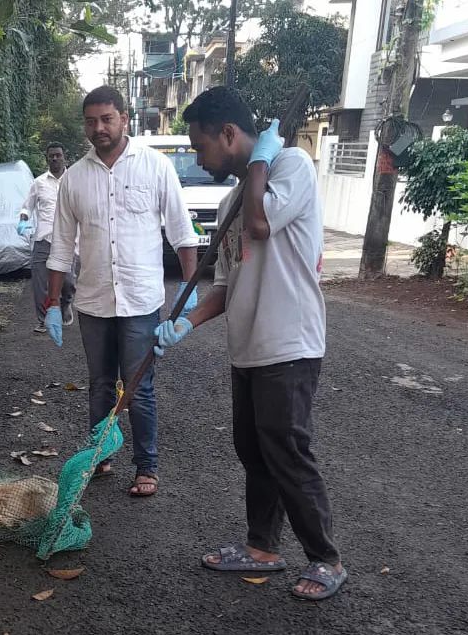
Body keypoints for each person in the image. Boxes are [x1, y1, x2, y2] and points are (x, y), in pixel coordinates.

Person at [155, 86, 347, 600]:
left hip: (290, 341)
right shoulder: (229, 199)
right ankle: (262, 546)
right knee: (253, 449)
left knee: (286, 450)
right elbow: (225, 283)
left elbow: (260, 226)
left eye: (201, 147)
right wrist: (183, 325)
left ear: (230, 134)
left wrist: (261, 161)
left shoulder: (290, 168)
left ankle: (325, 558)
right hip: (249, 345)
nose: (199, 158)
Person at [44, 85, 200, 497]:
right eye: (91, 121)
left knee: (139, 385)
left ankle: (146, 466)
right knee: (99, 383)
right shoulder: (74, 179)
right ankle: (101, 455)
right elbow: (61, 247)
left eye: (106, 119)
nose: (99, 128)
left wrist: (188, 287)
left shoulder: (155, 167)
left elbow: (182, 232)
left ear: (124, 119)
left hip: (140, 300)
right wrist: (53, 304)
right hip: (94, 302)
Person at [17, 142, 78, 333]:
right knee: (40, 283)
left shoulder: (74, 181)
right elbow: (28, 206)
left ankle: (65, 304)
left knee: (68, 282)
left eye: (58, 155)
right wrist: (23, 219)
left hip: (67, 240)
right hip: (43, 239)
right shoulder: (39, 183)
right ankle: (43, 320)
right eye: (51, 156)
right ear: (47, 158)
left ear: (64, 157)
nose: (54, 159)